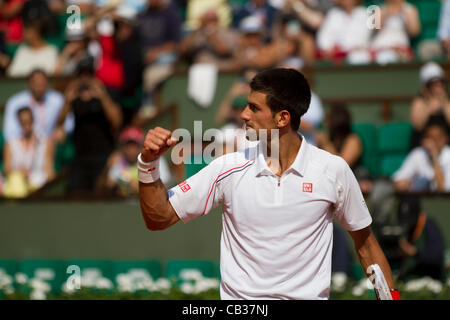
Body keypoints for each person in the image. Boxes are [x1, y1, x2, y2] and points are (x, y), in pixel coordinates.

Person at [137, 68, 399, 300]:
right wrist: (148, 163)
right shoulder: (227, 167)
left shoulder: (333, 170)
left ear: (282, 118)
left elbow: (366, 246)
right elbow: (159, 217)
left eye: (254, 107)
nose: (243, 114)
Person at [55, 56, 122, 195]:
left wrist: (102, 96)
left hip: (103, 155)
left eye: (88, 74)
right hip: (80, 156)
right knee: (75, 192)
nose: (85, 78)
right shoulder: (74, 96)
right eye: (81, 74)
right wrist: (68, 101)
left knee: (102, 193)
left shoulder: (106, 93)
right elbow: (60, 122)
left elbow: (116, 122)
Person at [3, 69, 74, 143]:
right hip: (24, 144)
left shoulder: (58, 99)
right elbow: (9, 132)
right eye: (36, 84)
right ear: (29, 84)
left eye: (42, 84)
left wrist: (62, 130)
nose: (39, 87)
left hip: (51, 144)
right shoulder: (15, 102)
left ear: (47, 84)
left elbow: (69, 123)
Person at [100, 126, 173, 196]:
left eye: (134, 145)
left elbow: (166, 186)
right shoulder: (118, 161)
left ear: (142, 146)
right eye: (128, 145)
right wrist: (107, 168)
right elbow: (104, 188)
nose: (131, 150)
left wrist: (141, 188)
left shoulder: (155, 160)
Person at [2, 107, 55, 198]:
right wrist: (20, 173)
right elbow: (7, 169)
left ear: (33, 121)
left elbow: (49, 170)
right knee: (16, 180)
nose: (26, 125)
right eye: (22, 122)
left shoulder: (45, 143)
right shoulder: (10, 144)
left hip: (39, 187)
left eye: (28, 121)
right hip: (17, 187)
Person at [393, 118, 450, 193]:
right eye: (430, 138)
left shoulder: (448, 155)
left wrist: (434, 156)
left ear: (445, 139)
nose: (433, 143)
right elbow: (398, 181)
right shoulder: (418, 153)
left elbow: (442, 188)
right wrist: (407, 184)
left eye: (437, 138)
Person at [396, 196, 445, 282]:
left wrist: (414, 252)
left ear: (419, 214)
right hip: (408, 282)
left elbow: (437, 257)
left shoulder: (430, 226)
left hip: (430, 282)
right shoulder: (407, 230)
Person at [316, 0, 371, 64]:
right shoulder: (333, 14)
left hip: (359, 56)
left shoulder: (364, 13)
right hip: (336, 58)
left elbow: (364, 39)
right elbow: (323, 40)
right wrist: (333, 50)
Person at [410, 62, 450, 149]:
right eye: (433, 84)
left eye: (440, 82)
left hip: (446, 149)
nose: (438, 86)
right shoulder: (419, 102)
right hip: (423, 149)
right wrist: (428, 103)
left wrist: (444, 101)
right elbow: (418, 126)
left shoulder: (447, 101)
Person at [370, 0, 421, 64]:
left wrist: (404, 12)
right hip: (380, 47)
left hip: (401, 48)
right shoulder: (377, 8)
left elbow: (415, 31)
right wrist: (387, 12)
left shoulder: (410, 9)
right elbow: (374, 28)